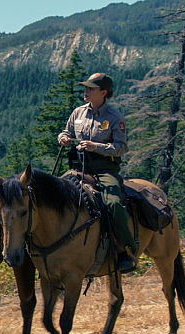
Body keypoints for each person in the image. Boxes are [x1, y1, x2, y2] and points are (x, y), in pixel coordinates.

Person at [58, 72, 137, 272]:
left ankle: (126, 249)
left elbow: (121, 147)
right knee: (55, 196)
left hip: (104, 169)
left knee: (113, 204)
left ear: (103, 92)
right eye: (86, 87)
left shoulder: (115, 118)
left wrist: (96, 146)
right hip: (78, 167)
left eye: (91, 89)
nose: (86, 91)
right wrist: (64, 138)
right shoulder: (78, 113)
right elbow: (66, 132)